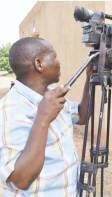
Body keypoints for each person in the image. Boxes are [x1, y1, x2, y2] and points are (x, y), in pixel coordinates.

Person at [0, 37, 90, 196]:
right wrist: (42, 119)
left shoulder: (50, 96)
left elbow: (82, 116)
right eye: (54, 56)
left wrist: (91, 77)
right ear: (39, 63)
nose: (59, 62)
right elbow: (21, 179)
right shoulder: (9, 111)